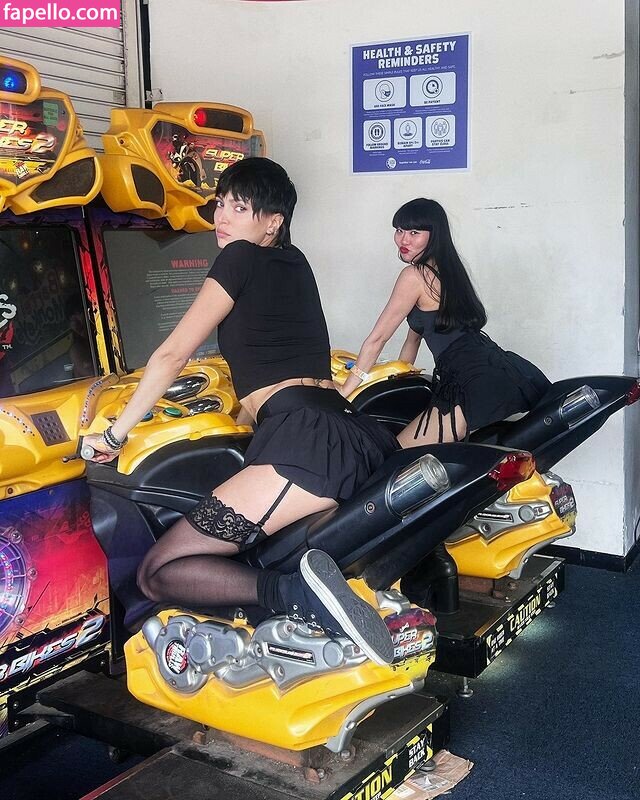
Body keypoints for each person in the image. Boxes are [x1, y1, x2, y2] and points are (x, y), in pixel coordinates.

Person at [83, 157, 398, 665]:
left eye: (239, 207)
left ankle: (298, 596)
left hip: (305, 445)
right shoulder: (295, 261)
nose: (221, 217)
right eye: (220, 204)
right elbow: (280, 354)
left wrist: (113, 436)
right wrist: (246, 418)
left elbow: (171, 355)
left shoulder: (238, 257)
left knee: (157, 571)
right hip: (348, 430)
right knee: (251, 547)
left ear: (272, 221)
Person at [339, 198, 550, 446]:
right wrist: (399, 380)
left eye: (414, 232)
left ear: (434, 235)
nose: (403, 240)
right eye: (399, 230)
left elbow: (378, 339)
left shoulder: (414, 276)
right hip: (499, 369)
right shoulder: (448, 270)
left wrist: (346, 390)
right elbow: (413, 340)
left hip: (467, 381)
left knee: (397, 454)